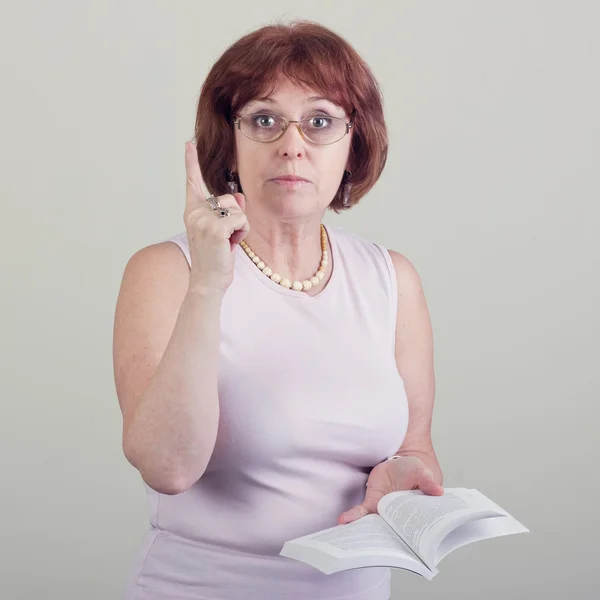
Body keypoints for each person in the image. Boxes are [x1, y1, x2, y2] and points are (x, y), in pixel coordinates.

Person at [112, 19, 444, 600]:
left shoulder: (392, 279)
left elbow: (414, 447)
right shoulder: (167, 272)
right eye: (265, 119)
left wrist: (402, 480)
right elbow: (167, 468)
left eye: (319, 122)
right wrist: (210, 284)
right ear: (231, 143)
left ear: (352, 143)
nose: (292, 144)